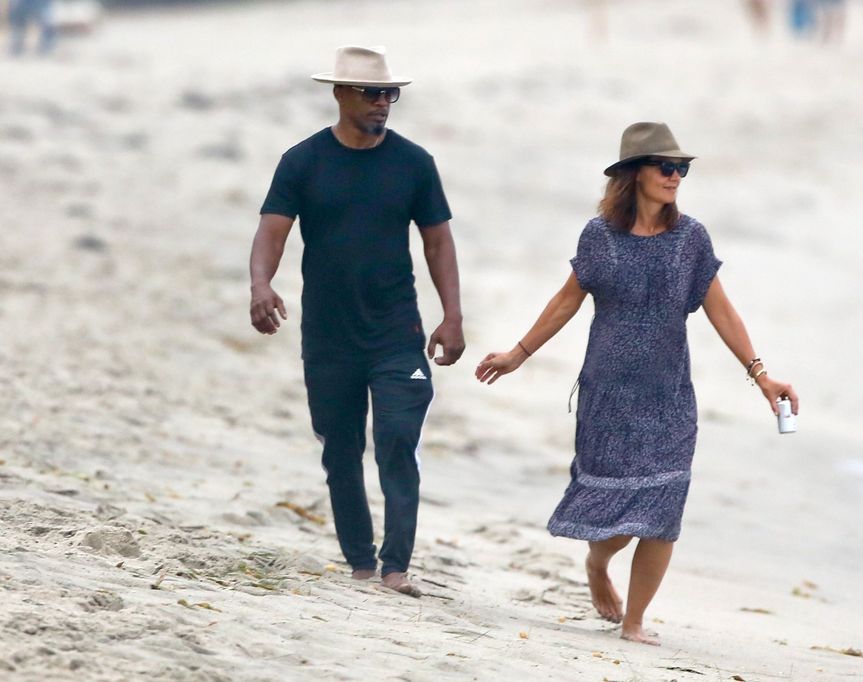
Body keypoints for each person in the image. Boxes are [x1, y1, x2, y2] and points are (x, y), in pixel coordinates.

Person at [475, 122, 798, 644]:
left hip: (669, 396)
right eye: (665, 167)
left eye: (682, 169)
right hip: (608, 394)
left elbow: (721, 310)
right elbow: (566, 300)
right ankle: (598, 564)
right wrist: (518, 353)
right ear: (634, 174)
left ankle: (635, 621)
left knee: (663, 507)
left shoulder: (691, 238)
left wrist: (761, 375)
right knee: (616, 520)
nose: (675, 177)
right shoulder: (599, 236)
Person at [249, 46, 465, 597]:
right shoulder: (304, 161)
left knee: (397, 437)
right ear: (340, 93)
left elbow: (437, 241)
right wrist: (261, 284)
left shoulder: (414, 163)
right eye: (372, 93)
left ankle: (396, 567)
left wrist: (452, 315)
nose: (383, 104)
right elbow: (272, 230)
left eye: (390, 94)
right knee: (340, 447)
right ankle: (361, 563)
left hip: (397, 332)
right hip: (328, 334)